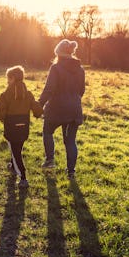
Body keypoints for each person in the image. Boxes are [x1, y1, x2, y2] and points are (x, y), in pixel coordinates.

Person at [38, 39, 85, 178]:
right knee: (70, 141)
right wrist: (73, 101)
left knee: (47, 131)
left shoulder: (56, 68)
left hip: (56, 109)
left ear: (58, 53)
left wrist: (39, 104)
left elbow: (49, 89)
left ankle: (50, 160)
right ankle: (71, 172)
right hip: (74, 109)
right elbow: (81, 90)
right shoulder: (80, 70)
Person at [0, 66, 43, 187]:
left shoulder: (6, 95)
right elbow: (36, 108)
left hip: (11, 126)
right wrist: (39, 113)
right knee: (17, 148)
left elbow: (0, 110)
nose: (7, 81)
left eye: (8, 78)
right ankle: (13, 165)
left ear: (12, 78)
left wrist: (3, 118)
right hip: (24, 126)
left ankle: (23, 177)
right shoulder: (28, 94)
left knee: (16, 151)